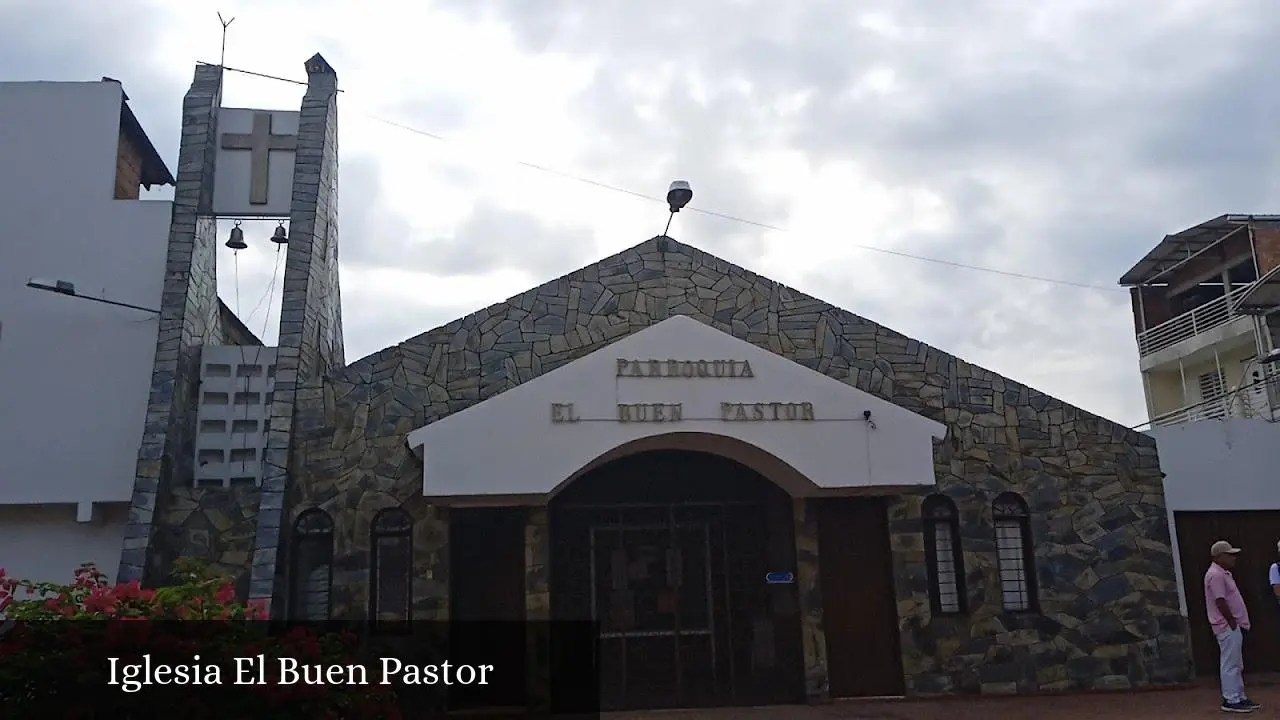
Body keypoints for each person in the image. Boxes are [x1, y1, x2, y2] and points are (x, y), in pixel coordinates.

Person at [1206, 539, 1260, 713]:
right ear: (1219, 556)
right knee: (1230, 663)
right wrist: (1231, 620)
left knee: (1237, 662)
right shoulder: (1216, 574)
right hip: (1226, 626)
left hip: (1232, 625)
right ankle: (1231, 699)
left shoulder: (1224, 573)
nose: (1233, 558)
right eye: (1230, 555)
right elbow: (1219, 600)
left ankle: (1239, 696)